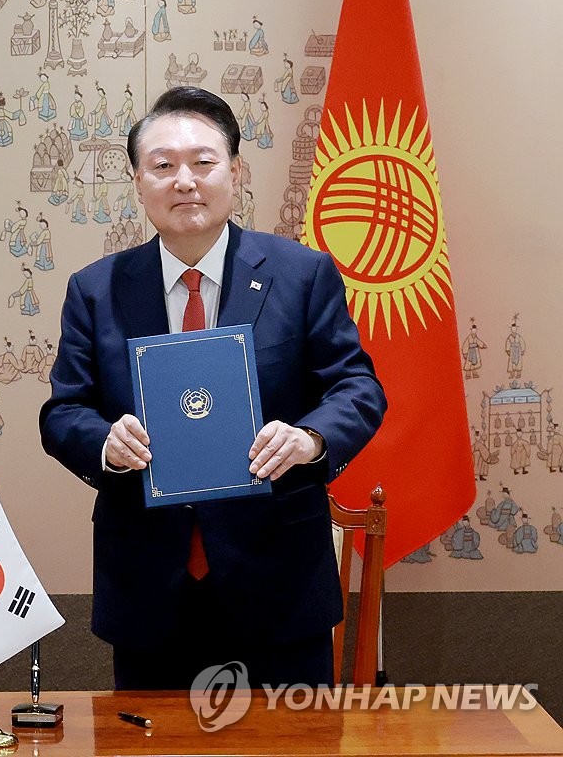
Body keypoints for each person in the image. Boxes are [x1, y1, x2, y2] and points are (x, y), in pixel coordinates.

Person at [39, 86, 386, 691]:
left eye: (204, 162)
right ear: (138, 179)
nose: (185, 181)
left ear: (235, 171)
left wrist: (309, 438)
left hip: (279, 582)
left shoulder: (301, 275)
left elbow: (358, 387)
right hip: (150, 588)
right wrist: (103, 443)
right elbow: (63, 411)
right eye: (163, 165)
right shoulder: (97, 289)